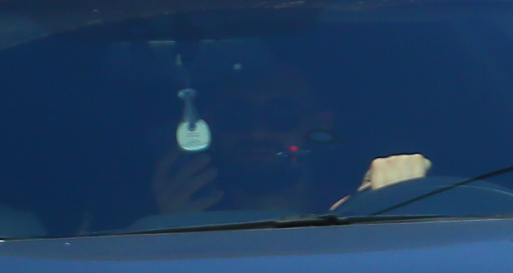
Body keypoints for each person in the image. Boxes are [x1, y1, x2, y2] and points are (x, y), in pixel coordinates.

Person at [143, 56, 425, 225]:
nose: (257, 132)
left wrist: (400, 202)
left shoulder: (363, 206)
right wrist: (170, 227)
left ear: (319, 126)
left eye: (281, 115)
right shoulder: (177, 215)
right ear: (211, 128)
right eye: (237, 116)